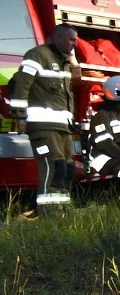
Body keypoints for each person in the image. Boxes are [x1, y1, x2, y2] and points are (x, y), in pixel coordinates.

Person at [8, 24, 79, 212]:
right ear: (59, 37)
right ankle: (49, 214)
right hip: (42, 126)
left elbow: (76, 82)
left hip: (63, 127)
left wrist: (72, 59)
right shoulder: (37, 55)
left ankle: (64, 211)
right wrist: (20, 117)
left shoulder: (64, 61)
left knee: (68, 170)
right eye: (72, 40)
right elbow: (22, 85)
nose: (75, 45)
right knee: (54, 166)